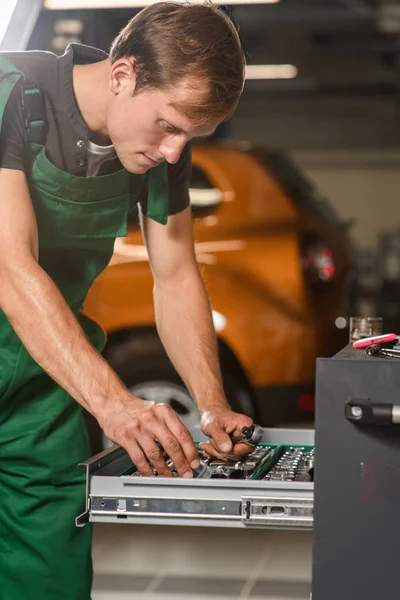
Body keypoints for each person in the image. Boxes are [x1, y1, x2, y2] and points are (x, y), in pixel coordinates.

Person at [0, 2, 253, 598]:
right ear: (122, 75)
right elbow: (11, 267)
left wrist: (211, 404)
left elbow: (176, 277)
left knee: (49, 581)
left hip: (44, 395)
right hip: (69, 370)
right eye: (169, 125)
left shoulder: (160, 148)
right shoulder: (11, 96)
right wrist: (116, 404)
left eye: (190, 135)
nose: (174, 151)